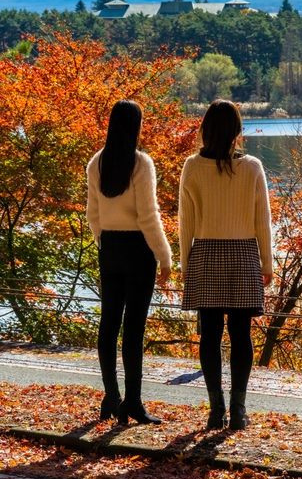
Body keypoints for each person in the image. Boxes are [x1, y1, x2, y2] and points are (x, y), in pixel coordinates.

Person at [179, 99, 273, 431]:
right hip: (246, 254)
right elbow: (263, 221)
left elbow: (185, 222)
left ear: (206, 128)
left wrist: (183, 263)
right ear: (236, 130)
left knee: (210, 336)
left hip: (204, 254)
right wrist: (268, 263)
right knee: (241, 335)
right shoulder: (252, 166)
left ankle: (215, 408)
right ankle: (239, 409)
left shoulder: (191, 166)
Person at [86, 99, 172, 424]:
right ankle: (132, 403)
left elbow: (92, 215)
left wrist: (104, 242)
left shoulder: (96, 163)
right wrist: (164, 256)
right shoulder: (141, 164)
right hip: (138, 248)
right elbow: (148, 216)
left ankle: (111, 395)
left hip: (108, 246)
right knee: (133, 328)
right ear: (135, 126)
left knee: (108, 324)